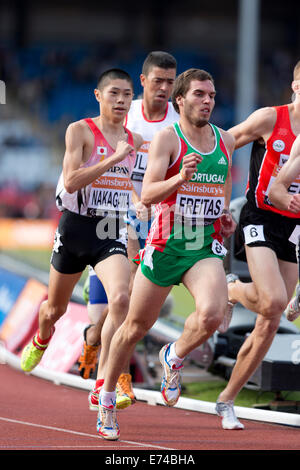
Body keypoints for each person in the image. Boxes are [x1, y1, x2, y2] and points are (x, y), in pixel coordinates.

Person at [96, 68, 236, 440]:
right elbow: (147, 195)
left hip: (201, 243)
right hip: (165, 242)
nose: (208, 101)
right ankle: (107, 398)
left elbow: (222, 188)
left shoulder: (224, 140)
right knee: (134, 328)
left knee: (211, 315)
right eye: (199, 95)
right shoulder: (166, 139)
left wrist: (223, 217)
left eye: (211, 95)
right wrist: (179, 178)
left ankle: (173, 356)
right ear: (181, 100)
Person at [20, 69, 143, 390]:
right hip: (75, 228)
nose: (120, 100)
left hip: (110, 228)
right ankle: (42, 338)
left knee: (121, 298)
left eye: (127, 95)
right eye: (114, 93)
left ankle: (109, 379)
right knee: (54, 309)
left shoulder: (135, 140)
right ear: (98, 96)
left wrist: (139, 199)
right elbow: (72, 180)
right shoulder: (80, 131)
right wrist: (112, 159)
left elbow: (128, 176)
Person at [78, 51, 179, 406]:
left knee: (126, 304)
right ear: (143, 81)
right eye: (159, 81)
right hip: (117, 213)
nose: (165, 88)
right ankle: (106, 359)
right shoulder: (125, 111)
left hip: (157, 218)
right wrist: (134, 200)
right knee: (119, 302)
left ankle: (104, 361)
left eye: (171, 81)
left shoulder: (177, 122)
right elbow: (106, 163)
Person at [216, 60, 300, 430]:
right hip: (260, 218)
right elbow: (223, 142)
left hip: (293, 228)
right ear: (296, 87)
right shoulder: (270, 119)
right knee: (275, 300)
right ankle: (232, 289)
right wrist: (216, 193)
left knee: (271, 319)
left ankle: (226, 399)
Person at [269, 134, 300, 320]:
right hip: (279, 223)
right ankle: (234, 289)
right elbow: (276, 190)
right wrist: (291, 201)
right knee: (274, 302)